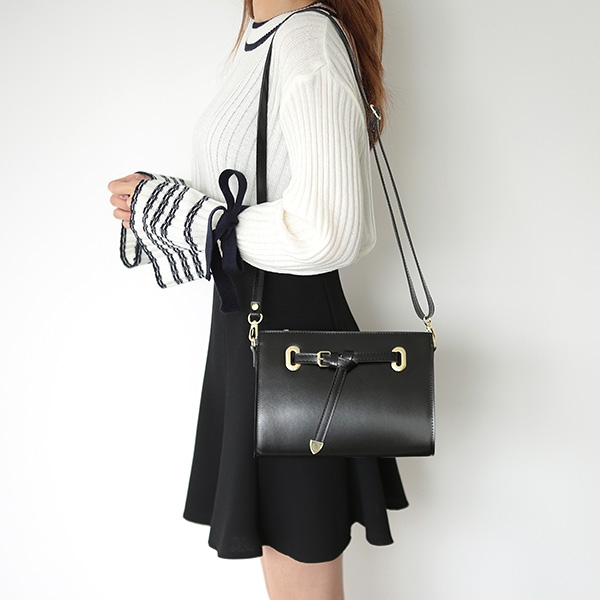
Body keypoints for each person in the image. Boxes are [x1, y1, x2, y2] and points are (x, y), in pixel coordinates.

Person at [108, 1, 408, 598]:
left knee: (303, 576)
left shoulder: (306, 41)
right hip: (252, 332)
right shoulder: (262, 40)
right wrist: (162, 208)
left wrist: (197, 221)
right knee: (286, 567)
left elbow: (332, 228)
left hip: (292, 340)